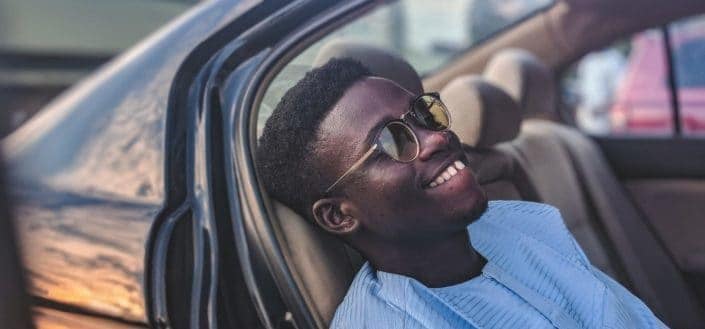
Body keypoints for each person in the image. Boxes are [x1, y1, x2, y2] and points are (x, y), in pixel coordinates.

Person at [256, 58, 666, 328]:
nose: (435, 139)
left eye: (423, 114)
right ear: (338, 215)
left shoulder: (525, 222)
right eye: (390, 141)